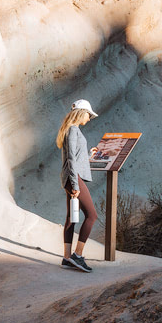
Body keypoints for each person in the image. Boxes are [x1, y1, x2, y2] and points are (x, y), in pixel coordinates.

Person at [56, 99, 98, 271]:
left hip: (70, 177)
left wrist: (89, 155)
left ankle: (67, 258)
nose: (89, 118)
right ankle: (77, 255)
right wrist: (75, 185)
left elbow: (75, 158)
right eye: (88, 115)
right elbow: (72, 160)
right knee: (92, 215)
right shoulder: (73, 131)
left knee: (71, 217)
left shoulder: (70, 130)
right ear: (82, 113)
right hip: (74, 178)